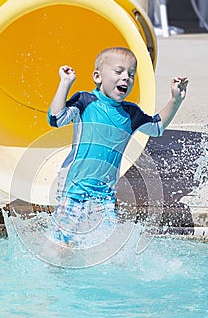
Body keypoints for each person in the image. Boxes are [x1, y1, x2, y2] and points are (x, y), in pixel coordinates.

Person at [48, 46, 188, 246]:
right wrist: (65, 83)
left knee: (105, 245)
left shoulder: (131, 114)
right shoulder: (85, 102)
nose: (126, 78)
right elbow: (56, 118)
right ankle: (57, 271)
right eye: (118, 71)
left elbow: (157, 127)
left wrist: (175, 100)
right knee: (64, 243)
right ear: (98, 77)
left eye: (131, 74)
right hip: (73, 187)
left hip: (105, 193)